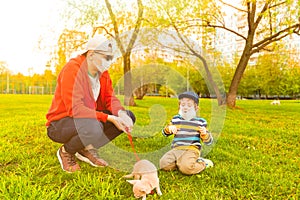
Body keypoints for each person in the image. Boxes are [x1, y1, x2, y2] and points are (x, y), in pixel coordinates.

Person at [46, 35, 135, 173]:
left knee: (127, 116)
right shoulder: (73, 69)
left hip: (88, 120)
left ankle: (85, 149)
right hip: (60, 123)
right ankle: (66, 151)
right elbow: (75, 109)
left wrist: (120, 114)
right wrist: (109, 118)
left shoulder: (103, 73)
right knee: (94, 126)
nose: (109, 62)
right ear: (91, 54)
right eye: (107, 57)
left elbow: (109, 98)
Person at [159, 91, 213, 175]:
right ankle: (180, 162)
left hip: (191, 149)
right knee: (164, 164)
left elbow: (209, 141)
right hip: (176, 149)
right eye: (183, 105)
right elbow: (164, 133)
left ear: (196, 108)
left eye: (189, 105)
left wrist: (204, 134)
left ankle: (202, 163)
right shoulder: (176, 119)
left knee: (186, 169)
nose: (185, 108)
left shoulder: (200, 122)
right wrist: (169, 129)